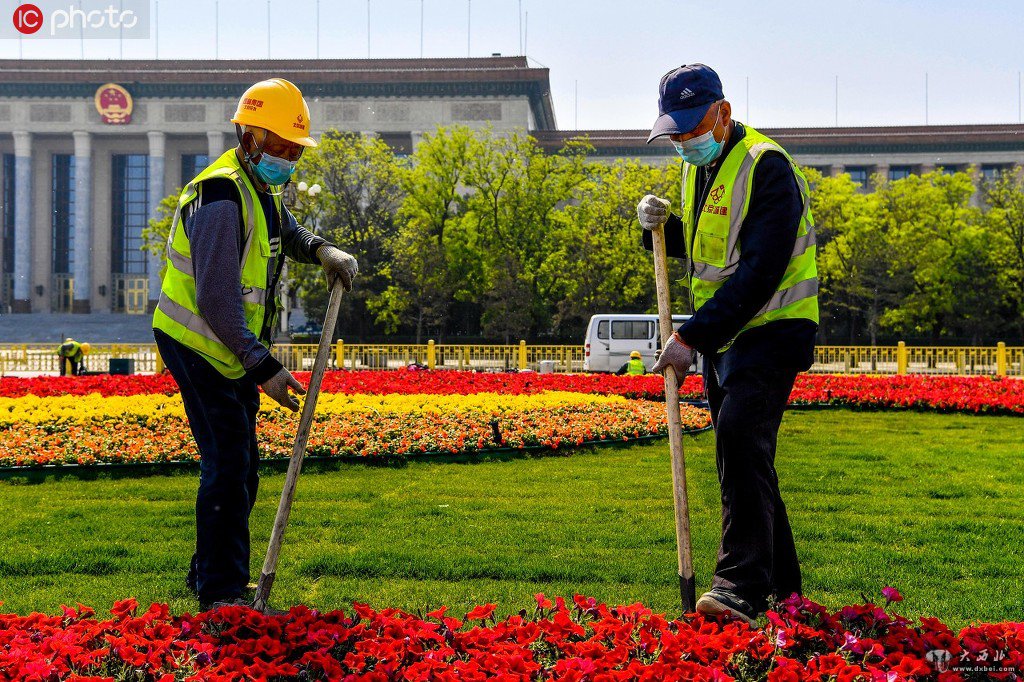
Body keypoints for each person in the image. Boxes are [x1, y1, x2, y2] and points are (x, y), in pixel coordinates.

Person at [152, 77, 358, 611]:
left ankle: (208, 573)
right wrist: (262, 366)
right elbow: (217, 302)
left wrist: (321, 250)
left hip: (228, 345)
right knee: (226, 465)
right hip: (197, 343)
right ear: (249, 139)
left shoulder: (257, 186)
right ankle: (221, 593)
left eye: (295, 152)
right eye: (282, 149)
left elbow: (281, 225)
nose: (289, 161)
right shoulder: (220, 195)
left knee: (241, 469)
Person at [637, 64, 818, 624]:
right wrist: (654, 231)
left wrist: (691, 336)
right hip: (729, 338)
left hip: (773, 328)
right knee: (748, 457)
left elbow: (760, 271)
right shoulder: (702, 170)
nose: (685, 141)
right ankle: (786, 593)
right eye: (677, 134)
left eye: (693, 128)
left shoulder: (768, 167)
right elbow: (702, 258)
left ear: (724, 113)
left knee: (739, 440)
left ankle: (738, 587)